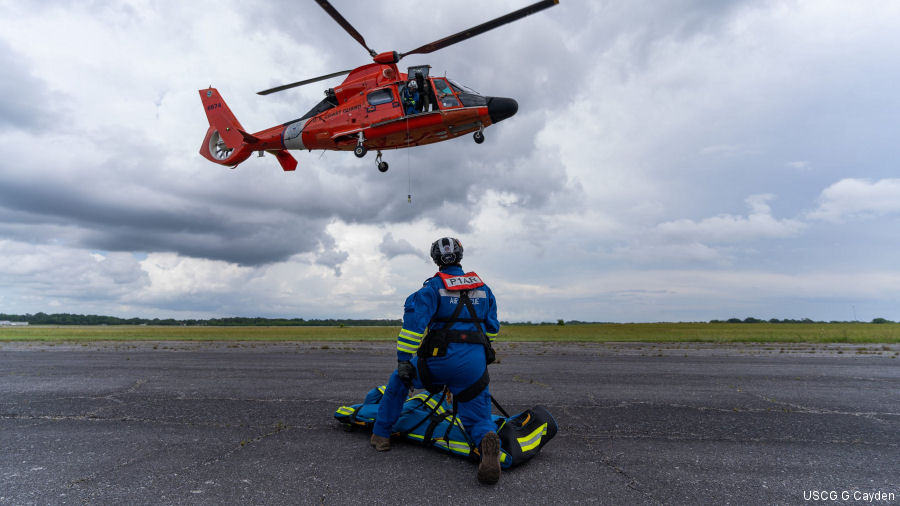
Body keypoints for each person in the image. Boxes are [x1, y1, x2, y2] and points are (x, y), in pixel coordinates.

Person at [370, 237, 502, 484]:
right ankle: (486, 439)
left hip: (437, 361)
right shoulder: (484, 289)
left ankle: (381, 435)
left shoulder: (431, 288)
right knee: (478, 415)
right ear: (460, 256)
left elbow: (413, 330)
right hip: (473, 365)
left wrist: (403, 361)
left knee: (399, 381)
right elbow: (492, 330)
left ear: (435, 259)